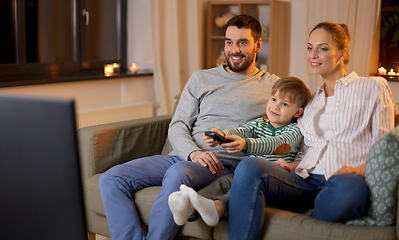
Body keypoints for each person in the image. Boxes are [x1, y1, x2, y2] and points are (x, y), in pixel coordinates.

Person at [99, 14, 279, 240]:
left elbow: (298, 111)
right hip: (183, 156)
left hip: (222, 165)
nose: (234, 50)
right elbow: (178, 125)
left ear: (258, 45)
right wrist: (193, 152)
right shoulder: (201, 78)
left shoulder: (273, 86)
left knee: (177, 173)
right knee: (111, 179)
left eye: (243, 42)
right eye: (229, 42)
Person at [227, 22, 395, 240]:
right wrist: (290, 164)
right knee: (250, 166)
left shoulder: (373, 87)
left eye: (323, 48)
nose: (313, 55)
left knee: (351, 189)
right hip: (303, 180)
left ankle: (313, 213)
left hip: (343, 179)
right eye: (309, 47)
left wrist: (361, 169)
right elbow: (306, 150)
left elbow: (385, 146)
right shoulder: (310, 101)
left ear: (342, 53)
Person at [168, 76, 311, 227]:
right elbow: (242, 131)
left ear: (297, 112)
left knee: (241, 186)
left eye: (285, 104)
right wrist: (222, 135)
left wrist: (246, 144)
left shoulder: (294, 131)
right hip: (250, 176)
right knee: (226, 180)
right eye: (274, 99)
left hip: (272, 182)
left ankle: (216, 207)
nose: (276, 106)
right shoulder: (260, 123)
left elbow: (275, 144)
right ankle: (191, 205)